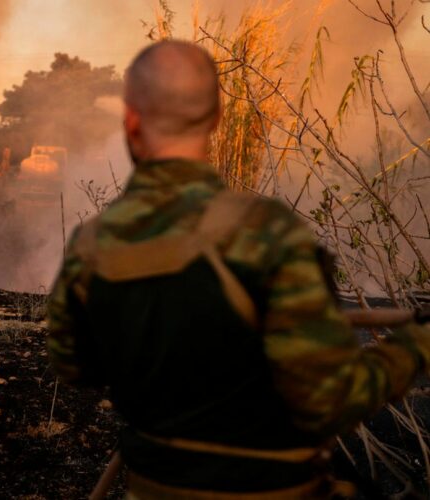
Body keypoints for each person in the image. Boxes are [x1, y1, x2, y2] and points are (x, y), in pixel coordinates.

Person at [47, 40, 430, 499]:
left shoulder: (92, 245)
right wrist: (415, 347)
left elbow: (75, 368)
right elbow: (329, 401)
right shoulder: (268, 233)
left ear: (131, 120)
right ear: (216, 119)